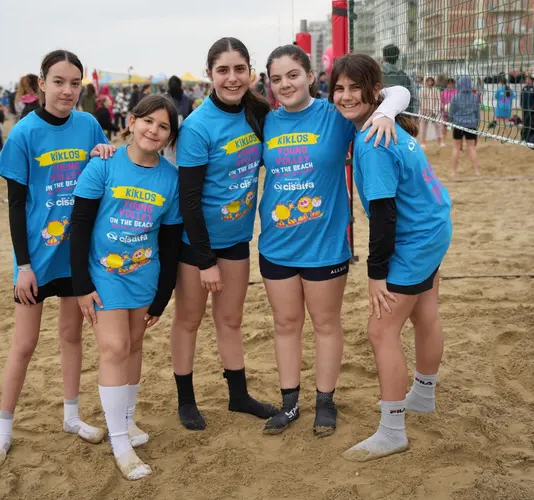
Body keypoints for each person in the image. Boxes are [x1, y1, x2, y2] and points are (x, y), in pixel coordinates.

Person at [259, 44, 410, 436]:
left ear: (311, 77)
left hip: (324, 243)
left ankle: (325, 402)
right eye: (277, 78)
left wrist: (389, 111)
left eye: (293, 75)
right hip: (276, 243)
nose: (285, 84)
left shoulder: (337, 116)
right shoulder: (266, 121)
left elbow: (395, 93)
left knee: (326, 324)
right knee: (285, 323)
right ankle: (290, 404)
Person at [0, 49, 114, 472]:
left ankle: (72, 416)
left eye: (75, 83)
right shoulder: (23, 133)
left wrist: (108, 154)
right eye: (58, 81)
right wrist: (23, 264)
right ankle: (3, 430)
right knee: (24, 344)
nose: (67, 91)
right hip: (37, 259)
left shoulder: (89, 124)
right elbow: (16, 205)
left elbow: (102, 178)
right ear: (41, 83)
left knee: (71, 336)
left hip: (76, 256)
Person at [331, 53, 452, 462]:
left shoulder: (373, 142)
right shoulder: (387, 120)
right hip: (435, 226)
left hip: (414, 239)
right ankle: (422, 396)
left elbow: (383, 218)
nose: (346, 96)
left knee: (381, 330)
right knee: (425, 312)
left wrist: (375, 275)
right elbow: (400, 92)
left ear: (373, 91)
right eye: (339, 88)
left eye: (354, 88)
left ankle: (392, 430)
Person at [70, 95, 182, 480]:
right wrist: (81, 285)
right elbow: (79, 227)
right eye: (148, 121)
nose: (153, 130)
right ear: (131, 122)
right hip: (104, 275)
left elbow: (169, 241)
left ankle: (129, 421)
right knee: (114, 347)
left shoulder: (171, 178)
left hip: (144, 276)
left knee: (134, 347)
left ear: (170, 136)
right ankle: (119, 441)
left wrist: (163, 293)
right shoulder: (103, 164)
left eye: (163, 126)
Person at [172, 37, 278, 431]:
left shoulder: (259, 112)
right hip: (196, 244)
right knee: (188, 320)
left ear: (250, 72)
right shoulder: (197, 127)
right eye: (223, 70)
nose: (232, 78)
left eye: (239, 69)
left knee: (230, 319)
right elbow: (190, 200)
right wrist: (204, 261)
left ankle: (238, 396)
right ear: (210, 74)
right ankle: (186, 400)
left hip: (237, 239)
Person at [449, 76, 481, 177]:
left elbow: (451, 113)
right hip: (471, 124)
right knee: (471, 148)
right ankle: (477, 171)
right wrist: (476, 125)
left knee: (456, 148)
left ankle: (453, 172)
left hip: (458, 125)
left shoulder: (455, 97)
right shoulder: (475, 97)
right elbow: (477, 113)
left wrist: (452, 123)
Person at [381, 44, 418, 113]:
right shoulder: (405, 77)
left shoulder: (376, 75)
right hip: (403, 118)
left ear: (384, 57)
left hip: (381, 117)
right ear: (397, 58)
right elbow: (414, 99)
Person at [418, 76, 445, 148]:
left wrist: (435, 110)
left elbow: (438, 101)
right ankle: (423, 142)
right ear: (425, 81)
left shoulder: (436, 90)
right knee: (423, 127)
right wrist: (424, 109)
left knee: (439, 126)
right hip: (424, 111)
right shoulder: (422, 90)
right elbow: (420, 101)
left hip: (435, 111)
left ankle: (441, 141)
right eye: (428, 80)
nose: (430, 82)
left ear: (433, 81)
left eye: (431, 80)